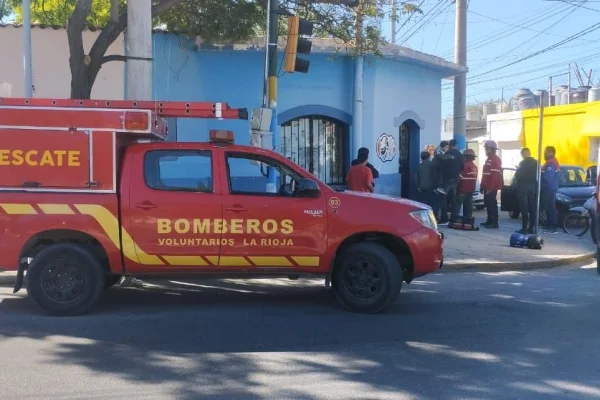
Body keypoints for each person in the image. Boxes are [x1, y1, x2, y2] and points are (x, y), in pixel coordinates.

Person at [513, 147, 538, 234]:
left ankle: (524, 228)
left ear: (524, 154)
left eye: (522, 154)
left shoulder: (523, 163)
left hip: (523, 187)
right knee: (532, 209)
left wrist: (517, 172)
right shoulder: (536, 163)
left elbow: (518, 174)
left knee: (524, 209)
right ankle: (531, 228)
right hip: (533, 187)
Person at [480, 140, 502, 229]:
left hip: (491, 187)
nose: (485, 150)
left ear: (491, 149)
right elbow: (485, 174)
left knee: (492, 204)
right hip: (487, 186)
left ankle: (494, 222)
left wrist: (490, 187)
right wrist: (482, 186)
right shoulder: (489, 159)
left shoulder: (495, 159)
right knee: (488, 204)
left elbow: (495, 176)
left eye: (486, 148)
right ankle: (489, 221)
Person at [444, 139, 465, 223]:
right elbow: (462, 167)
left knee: (444, 199)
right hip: (455, 179)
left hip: (446, 179)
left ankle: (444, 217)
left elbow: (442, 166)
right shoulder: (460, 155)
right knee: (453, 200)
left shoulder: (447, 154)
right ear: (456, 145)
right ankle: (453, 217)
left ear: (449, 145)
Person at [541, 146, 560, 234]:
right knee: (548, 206)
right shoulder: (549, 162)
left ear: (552, 152)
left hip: (550, 187)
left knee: (551, 206)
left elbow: (548, 177)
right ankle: (549, 225)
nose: (545, 153)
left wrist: (541, 184)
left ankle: (552, 226)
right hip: (550, 187)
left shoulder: (551, 163)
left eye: (546, 151)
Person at [457, 148, 478, 221]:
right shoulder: (475, 167)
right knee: (468, 205)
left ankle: (455, 219)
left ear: (466, 156)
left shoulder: (465, 165)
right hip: (471, 189)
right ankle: (468, 218)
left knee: (458, 204)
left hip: (463, 188)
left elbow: (460, 176)